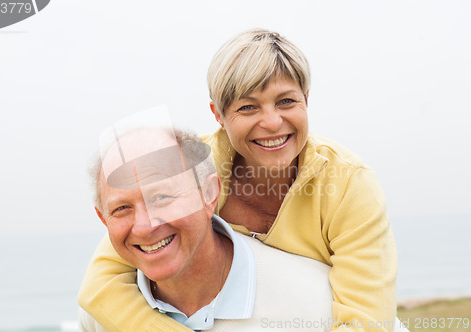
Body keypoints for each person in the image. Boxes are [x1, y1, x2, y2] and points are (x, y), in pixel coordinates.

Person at [78, 29, 399, 331]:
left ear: (307, 98)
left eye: (286, 101)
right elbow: (101, 284)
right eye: (248, 107)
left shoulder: (348, 185)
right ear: (217, 114)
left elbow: (367, 321)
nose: (272, 122)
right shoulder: (188, 170)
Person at [79, 127, 335, 331]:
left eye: (162, 198)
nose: (145, 227)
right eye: (122, 208)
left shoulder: (315, 300)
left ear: (209, 194)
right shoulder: (98, 317)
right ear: (103, 219)